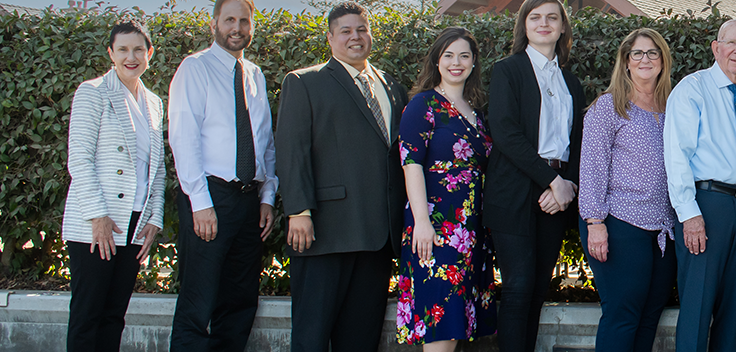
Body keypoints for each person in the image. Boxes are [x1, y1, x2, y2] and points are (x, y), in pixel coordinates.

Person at [275, 2, 409, 351]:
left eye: (361, 29)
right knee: (312, 337)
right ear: (331, 37)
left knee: (361, 339)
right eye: (346, 31)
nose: (355, 37)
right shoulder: (304, 82)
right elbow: (293, 151)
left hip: (378, 235)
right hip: (325, 231)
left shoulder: (391, 85)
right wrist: (299, 211)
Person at [166, 0, 277, 349]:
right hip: (210, 197)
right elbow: (183, 137)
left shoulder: (255, 74)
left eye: (244, 21)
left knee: (240, 301)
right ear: (215, 23)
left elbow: (264, 142)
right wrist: (200, 203)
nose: (237, 28)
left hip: (248, 201)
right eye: (230, 19)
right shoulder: (194, 68)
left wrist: (267, 196)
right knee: (198, 302)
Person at [662, 19, 736, 352]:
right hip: (706, 205)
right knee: (697, 305)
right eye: (731, 43)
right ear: (716, 47)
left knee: (735, 305)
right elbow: (676, 154)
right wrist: (689, 214)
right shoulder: (691, 90)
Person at [484, 0, 587, 349]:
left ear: (562, 28)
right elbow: (505, 132)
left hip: (557, 195)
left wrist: (568, 184)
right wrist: (552, 180)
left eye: (552, 18)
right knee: (517, 288)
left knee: (538, 289)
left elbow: (577, 141)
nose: (544, 24)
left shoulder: (571, 82)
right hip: (514, 191)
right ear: (524, 26)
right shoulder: (507, 70)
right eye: (535, 17)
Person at [62, 19, 165, 352]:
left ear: (149, 53)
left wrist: (154, 218)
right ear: (111, 53)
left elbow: (157, 168)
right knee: (87, 314)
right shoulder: (92, 92)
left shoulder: (154, 102)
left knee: (114, 316)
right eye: (122, 49)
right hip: (96, 224)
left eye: (138, 49)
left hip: (134, 224)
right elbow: (79, 160)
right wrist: (98, 217)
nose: (130, 56)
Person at [394, 27, 498, 350]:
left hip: (470, 231)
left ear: (473, 62)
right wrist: (422, 223)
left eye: (464, 55)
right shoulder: (422, 106)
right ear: (437, 61)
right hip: (435, 229)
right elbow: (411, 166)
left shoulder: (478, 114)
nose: (457, 62)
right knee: (439, 326)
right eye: (449, 55)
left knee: (455, 326)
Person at [578, 28, 678, 352]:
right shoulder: (608, 107)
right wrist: (595, 224)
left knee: (650, 316)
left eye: (653, 53)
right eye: (637, 53)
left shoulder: (673, 109)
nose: (645, 59)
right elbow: (591, 167)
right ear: (626, 63)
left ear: (663, 61)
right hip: (619, 223)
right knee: (623, 314)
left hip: (663, 229)